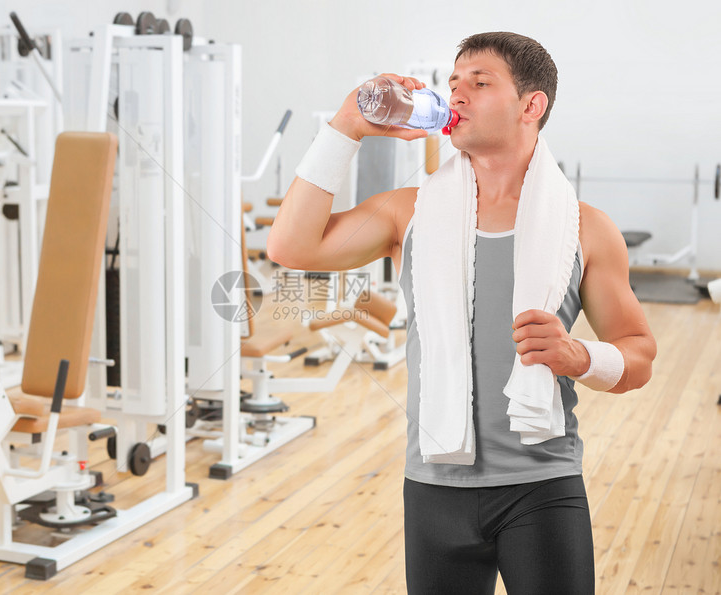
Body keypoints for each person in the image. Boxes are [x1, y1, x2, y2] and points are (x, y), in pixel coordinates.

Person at [267, 32, 657, 594]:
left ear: (532, 105)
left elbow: (639, 355)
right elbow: (290, 247)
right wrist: (346, 127)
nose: (457, 96)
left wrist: (579, 355)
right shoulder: (409, 213)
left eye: (479, 83)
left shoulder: (586, 228)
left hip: (541, 485)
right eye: (453, 85)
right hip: (433, 487)